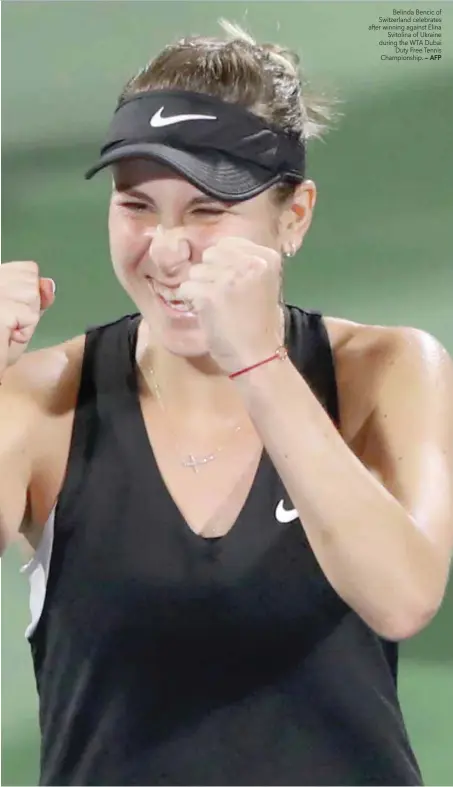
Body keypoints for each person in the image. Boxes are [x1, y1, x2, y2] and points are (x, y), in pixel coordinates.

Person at [1, 20, 452, 787]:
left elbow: (402, 597)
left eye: (207, 212)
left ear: (294, 216)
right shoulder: (41, 399)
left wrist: (257, 360)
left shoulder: (388, 369)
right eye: (136, 206)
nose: (165, 249)